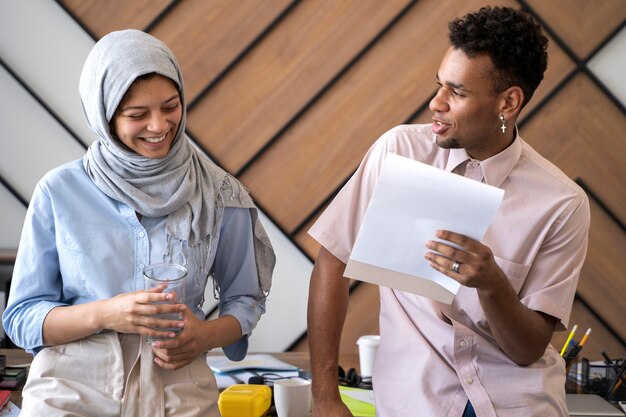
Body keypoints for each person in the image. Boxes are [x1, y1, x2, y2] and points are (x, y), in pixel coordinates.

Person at [307, 6, 590, 417]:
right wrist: (325, 397)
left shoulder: (562, 203)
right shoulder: (399, 153)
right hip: (417, 402)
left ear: (508, 102)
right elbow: (332, 262)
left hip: (516, 404)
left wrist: (493, 284)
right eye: (439, 85)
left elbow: (528, 350)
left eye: (456, 92)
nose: (435, 103)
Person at [2, 29, 275, 416]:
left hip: (178, 385)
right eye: (137, 115)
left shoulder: (218, 193)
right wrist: (108, 313)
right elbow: (22, 317)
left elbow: (246, 299)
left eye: (170, 106)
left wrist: (204, 336)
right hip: (71, 388)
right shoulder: (59, 191)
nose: (159, 126)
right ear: (105, 114)